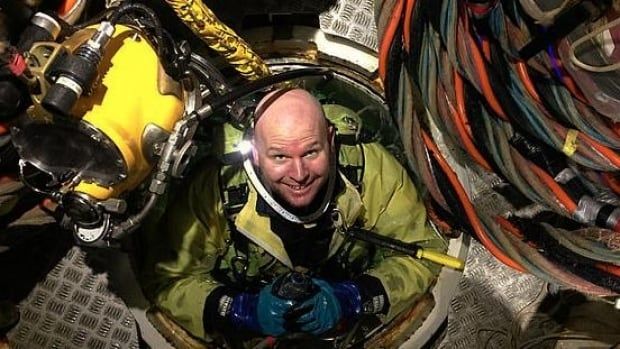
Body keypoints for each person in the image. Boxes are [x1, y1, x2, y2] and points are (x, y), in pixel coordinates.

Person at [139, 88, 446, 343]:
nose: (299, 174)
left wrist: (355, 298)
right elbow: (167, 280)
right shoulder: (218, 187)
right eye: (280, 156)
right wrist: (239, 309)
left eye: (311, 152)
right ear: (255, 152)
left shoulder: (370, 171)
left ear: (330, 139)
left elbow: (427, 254)